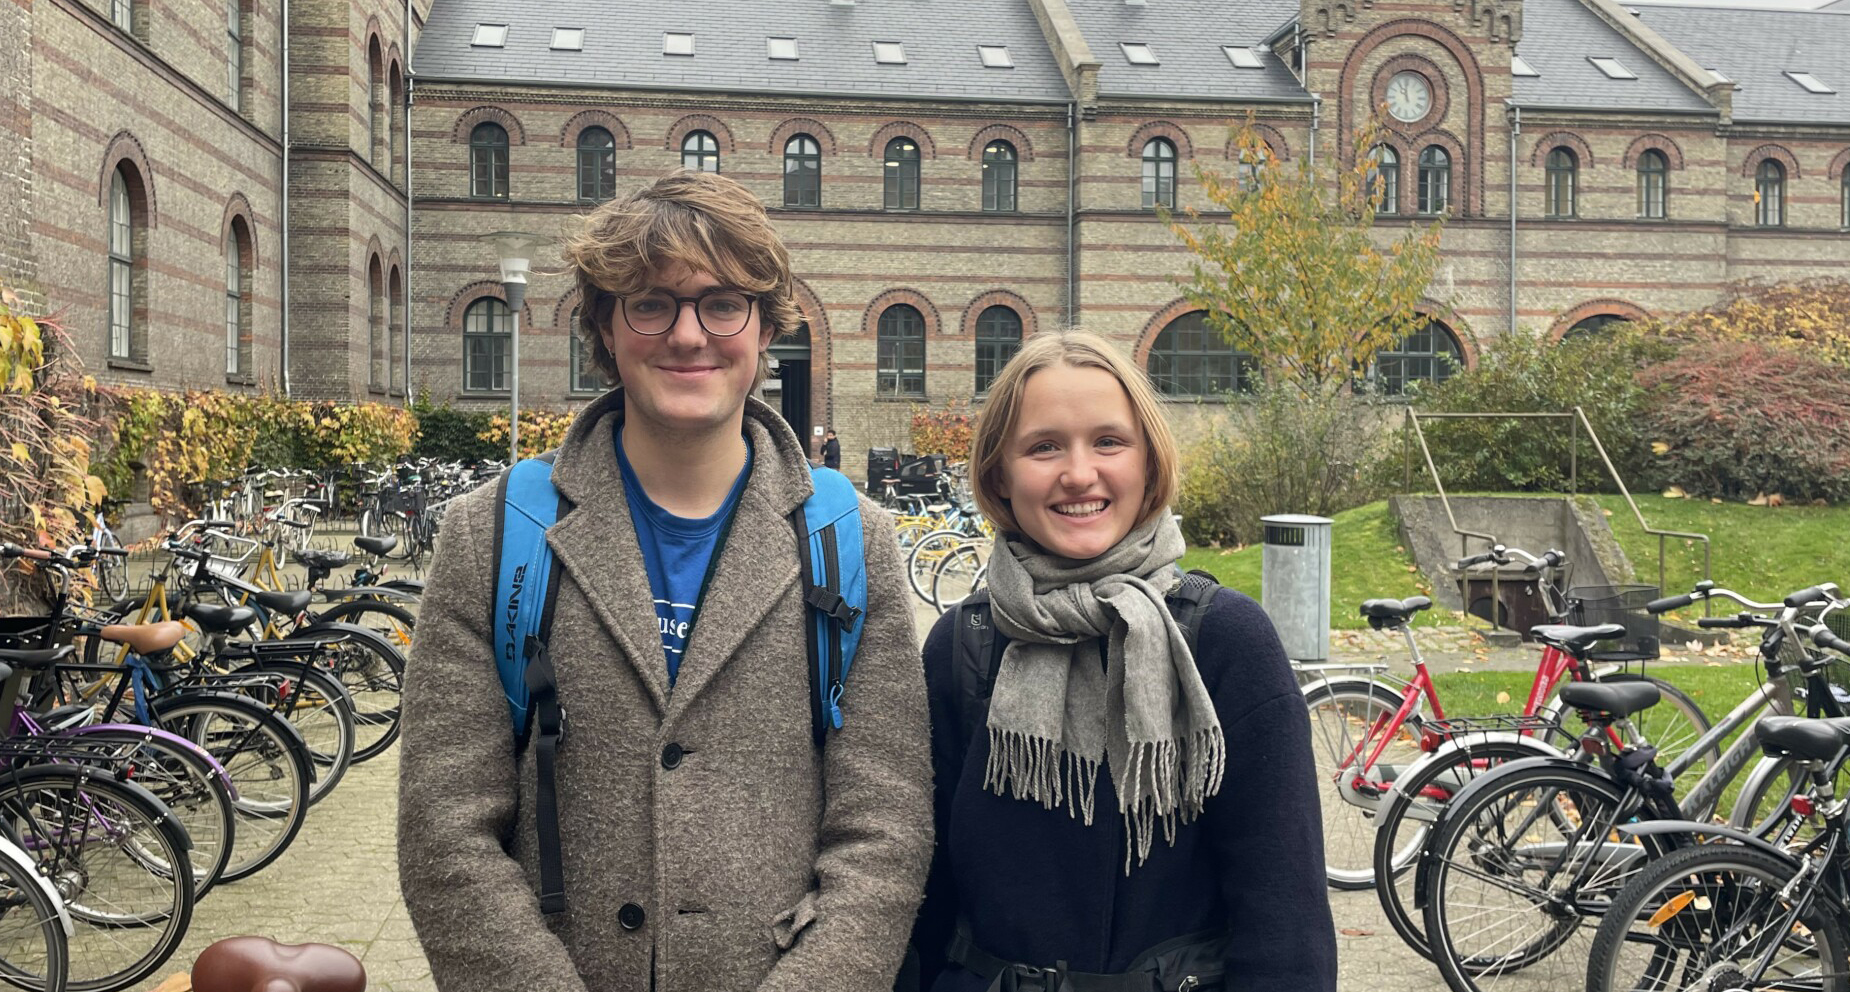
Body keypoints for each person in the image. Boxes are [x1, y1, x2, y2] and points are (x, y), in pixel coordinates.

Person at [397, 171, 933, 992]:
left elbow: (883, 832)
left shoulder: (848, 539)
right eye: (650, 303)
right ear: (606, 329)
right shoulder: (494, 534)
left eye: (723, 303)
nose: (689, 335)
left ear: (764, 328)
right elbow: (447, 834)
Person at [911, 330, 1337, 992]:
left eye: (1108, 442)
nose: (1079, 473)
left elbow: (1285, 931)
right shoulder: (962, 647)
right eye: (1043, 446)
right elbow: (924, 903)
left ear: (1148, 463)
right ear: (999, 472)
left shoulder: (1224, 642)